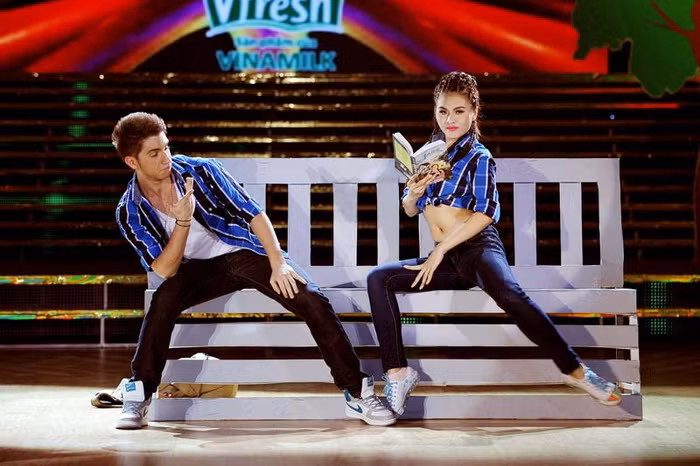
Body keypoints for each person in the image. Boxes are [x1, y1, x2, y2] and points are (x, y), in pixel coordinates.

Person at [112, 112, 394, 429]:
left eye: (166, 147)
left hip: (243, 251)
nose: (166, 158)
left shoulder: (201, 171)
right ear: (132, 162)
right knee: (162, 301)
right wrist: (183, 220)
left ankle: (356, 392)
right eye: (154, 153)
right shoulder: (129, 209)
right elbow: (165, 268)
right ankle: (139, 394)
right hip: (195, 271)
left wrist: (278, 262)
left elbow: (254, 214)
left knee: (310, 298)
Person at [367, 72, 622, 417]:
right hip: (448, 260)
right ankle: (398, 373)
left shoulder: (479, 157)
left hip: (477, 248)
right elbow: (411, 210)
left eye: (459, 111)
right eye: (443, 111)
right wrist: (413, 192)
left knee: (510, 294)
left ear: (474, 112)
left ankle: (576, 371)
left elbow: (485, 213)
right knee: (378, 279)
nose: (450, 119)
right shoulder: (430, 155)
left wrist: (440, 249)